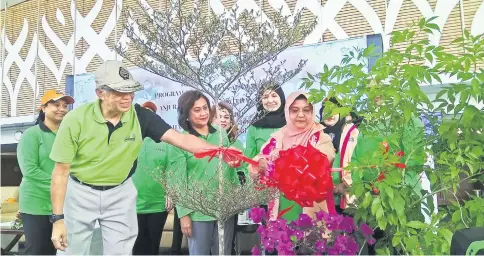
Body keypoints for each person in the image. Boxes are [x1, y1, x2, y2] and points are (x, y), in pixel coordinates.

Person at [49, 60, 240, 255]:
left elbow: (181, 140)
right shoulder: (76, 120)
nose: (128, 98)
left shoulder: (141, 116)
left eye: (130, 91)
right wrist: (57, 219)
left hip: (119, 192)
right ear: (100, 93)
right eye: (120, 92)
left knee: (120, 252)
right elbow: (60, 173)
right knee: (72, 251)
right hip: (81, 191)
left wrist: (220, 152)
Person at [168, 90, 238, 255]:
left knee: (224, 252)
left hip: (224, 208)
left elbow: (228, 168)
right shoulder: (180, 141)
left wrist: (236, 197)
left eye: (205, 108)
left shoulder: (220, 133)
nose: (203, 113)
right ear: (186, 114)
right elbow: (177, 181)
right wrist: (184, 215)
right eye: (197, 110)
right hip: (198, 213)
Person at [249, 91, 335, 222]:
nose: (301, 115)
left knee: (312, 239)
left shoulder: (320, 137)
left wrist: (281, 161)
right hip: (281, 209)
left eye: (306, 110)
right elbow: (257, 161)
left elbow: (323, 160)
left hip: (313, 210)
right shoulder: (278, 137)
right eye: (295, 110)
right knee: (281, 239)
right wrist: (260, 163)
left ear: (312, 112)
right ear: (287, 112)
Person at [17, 90, 74, 255]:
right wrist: (61, 183)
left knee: (56, 251)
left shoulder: (68, 136)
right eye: (56, 105)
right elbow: (30, 171)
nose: (61, 109)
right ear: (43, 108)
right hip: (36, 204)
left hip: (62, 206)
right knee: (37, 250)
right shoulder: (32, 135)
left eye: (65, 106)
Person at [132, 101, 173, 255]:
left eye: (151, 113)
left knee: (153, 246)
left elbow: (171, 168)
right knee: (137, 246)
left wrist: (170, 192)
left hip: (158, 204)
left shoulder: (165, 142)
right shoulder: (131, 139)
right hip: (134, 203)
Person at [245, 84, 286, 159]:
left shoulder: (292, 122)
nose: (270, 100)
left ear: (281, 97)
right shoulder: (254, 127)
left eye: (274, 96)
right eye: (265, 97)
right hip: (261, 170)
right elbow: (248, 159)